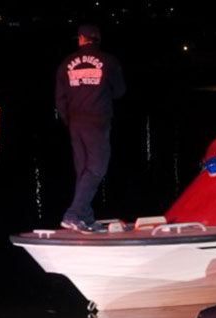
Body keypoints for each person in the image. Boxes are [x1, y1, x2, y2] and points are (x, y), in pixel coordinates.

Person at [55, 24, 125, 232]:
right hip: (97, 121)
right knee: (97, 168)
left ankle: (85, 217)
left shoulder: (66, 63)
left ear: (81, 39)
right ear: (97, 39)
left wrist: (69, 120)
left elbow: (60, 98)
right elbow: (119, 91)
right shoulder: (109, 61)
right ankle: (73, 214)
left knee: (84, 170)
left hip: (75, 123)